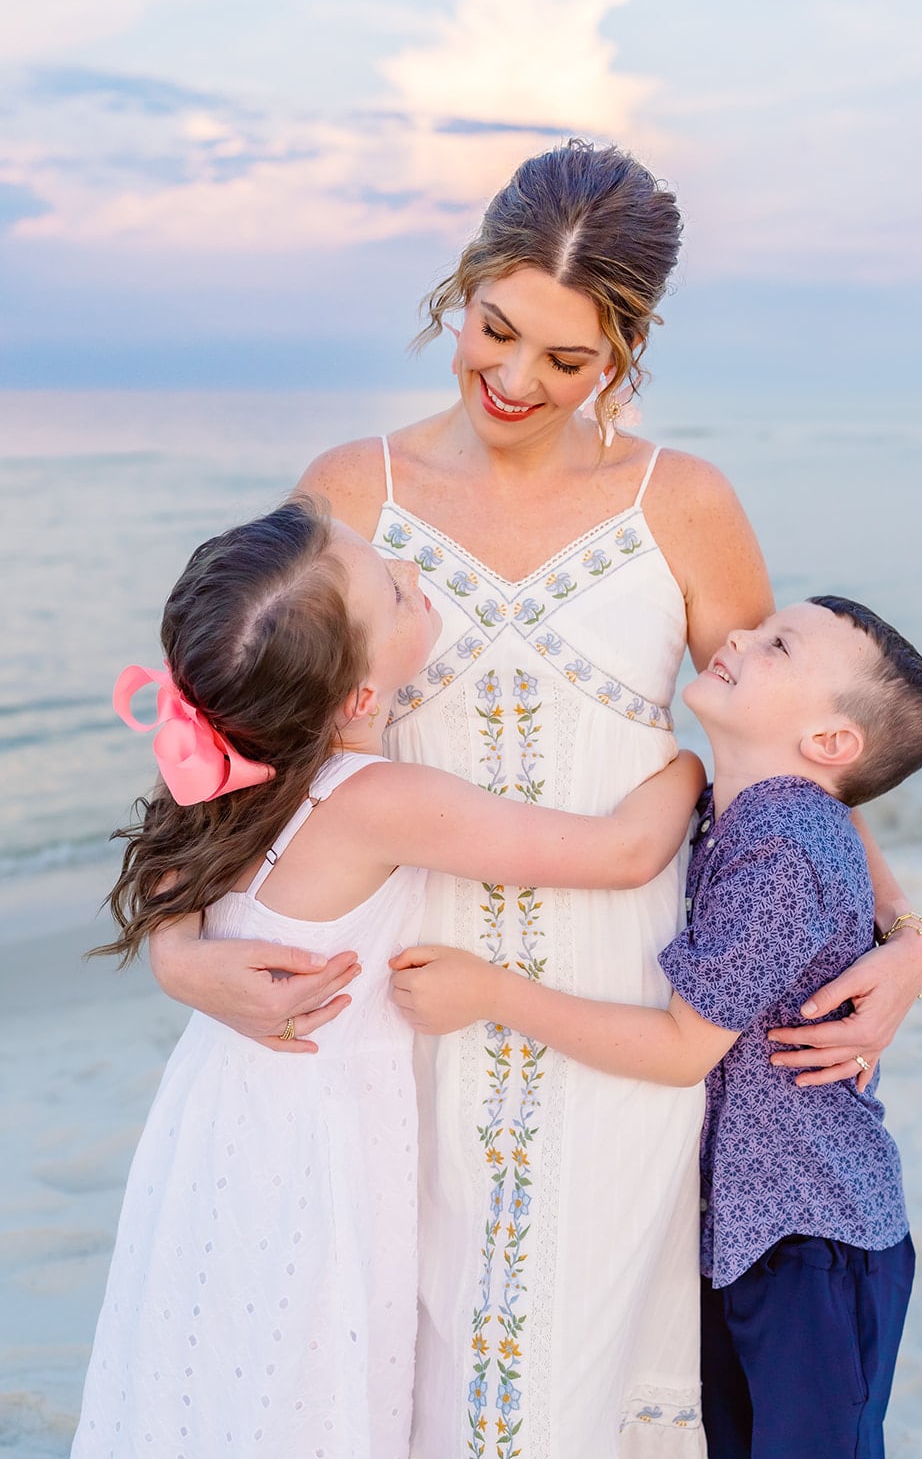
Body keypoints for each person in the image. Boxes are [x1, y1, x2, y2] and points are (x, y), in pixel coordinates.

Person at [147, 141, 922, 1457]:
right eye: (493, 329)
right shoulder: (352, 492)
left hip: (621, 1004)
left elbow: (791, 761)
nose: (513, 380)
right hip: (398, 1007)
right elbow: (240, 735)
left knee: (587, 1369)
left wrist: (902, 940)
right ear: (459, 289)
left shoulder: (677, 502)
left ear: (622, 353)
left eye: (565, 361)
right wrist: (178, 950)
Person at [72, 497, 703, 1459]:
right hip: (317, 1133)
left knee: (210, 1354)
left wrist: (181, 952)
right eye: (398, 591)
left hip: (216, 1107)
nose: (418, 580)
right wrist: (691, 767)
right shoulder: (376, 798)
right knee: (308, 1369)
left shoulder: (225, 767)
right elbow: (620, 853)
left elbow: (166, 876)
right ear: (361, 700)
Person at [392, 595, 922, 1459]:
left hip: (812, 1232)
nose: (734, 637)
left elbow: (682, 1048)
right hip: (758, 1228)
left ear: (830, 744)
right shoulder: (740, 812)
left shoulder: (783, 850)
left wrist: (491, 992)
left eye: (777, 647)